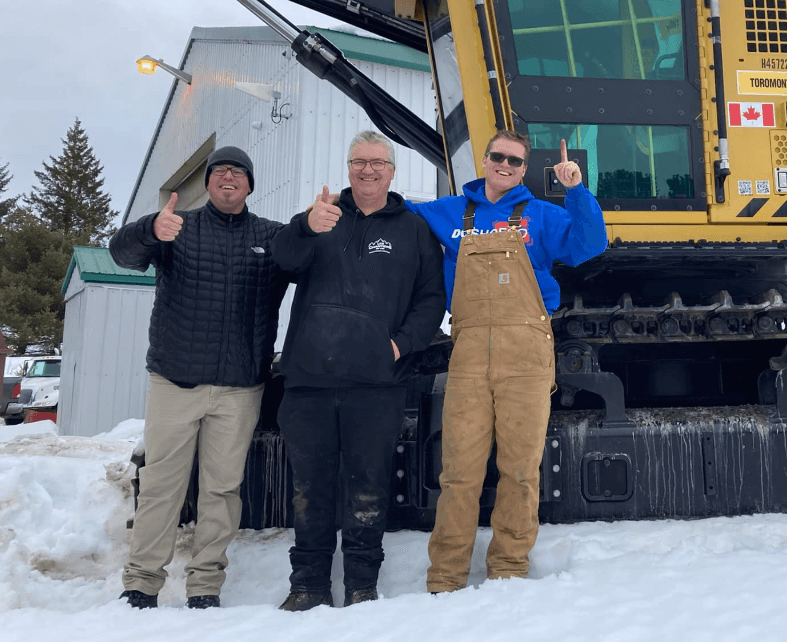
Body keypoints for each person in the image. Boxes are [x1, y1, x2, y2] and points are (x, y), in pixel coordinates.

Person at [406, 130, 607, 593]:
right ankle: (446, 574)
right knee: (459, 470)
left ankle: (510, 566)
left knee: (519, 469)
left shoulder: (542, 214)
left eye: (515, 161)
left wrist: (575, 189)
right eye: (498, 156)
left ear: (523, 169)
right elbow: (392, 217)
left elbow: (588, 245)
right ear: (484, 159)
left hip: (526, 353)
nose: (504, 165)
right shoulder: (448, 211)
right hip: (470, 352)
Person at [271, 130, 446, 611]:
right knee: (310, 489)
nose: (368, 170)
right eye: (359, 162)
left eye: (377, 162)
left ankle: (361, 585)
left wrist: (401, 345)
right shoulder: (320, 218)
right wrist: (306, 226)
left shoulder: (413, 229)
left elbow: (432, 299)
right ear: (348, 168)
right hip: (308, 382)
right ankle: (307, 584)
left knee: (369, 487)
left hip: (376, 384)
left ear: (393, 171)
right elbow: (281, 261)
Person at [109, 146, 289, 610]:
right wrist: (150, 229)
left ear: (250, 184)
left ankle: (205, 582)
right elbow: (122, 254)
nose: (228, 178)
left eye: (238, 172)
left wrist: (317, 221)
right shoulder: (177, 227)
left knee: (222, 489)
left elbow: (311, 257)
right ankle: (142, 580)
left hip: (240, 387)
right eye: (220, 171)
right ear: (209, 182)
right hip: (175, 381)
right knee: (161, 485)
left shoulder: (271, 237)